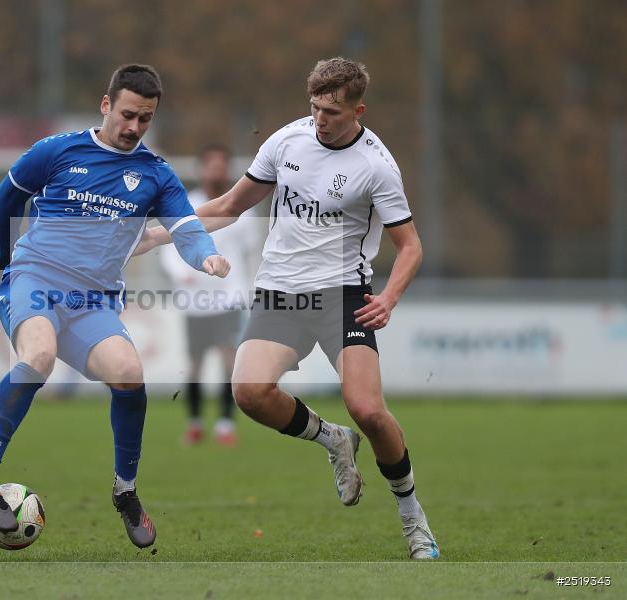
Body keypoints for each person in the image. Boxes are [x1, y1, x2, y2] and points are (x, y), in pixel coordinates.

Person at [135, 57, 439, 559]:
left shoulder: (376, 166)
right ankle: (333, 440)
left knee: (369, 410)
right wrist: (158, 236)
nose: (320, 119)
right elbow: (229, 207)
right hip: (279, 292)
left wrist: (388, 298)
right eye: (315, 107)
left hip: (343, 296)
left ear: (358, 109)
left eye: (333, 112)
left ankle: (413, 519)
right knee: (249, 392)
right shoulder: (286, 141)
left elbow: (410, 247)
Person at [0, 64, 231, 549]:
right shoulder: (58, 151)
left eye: (145, 119)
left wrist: (205, 255)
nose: (133, 127)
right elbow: (7, 196)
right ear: (106, 106)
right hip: (35, 279)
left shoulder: (155, 173)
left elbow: (186, 226)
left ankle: (125, 492)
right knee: (38, 356)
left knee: (130, 373)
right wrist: (4, 254)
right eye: (127, 114)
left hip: (92, 302)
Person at [159, 144, 260, 446]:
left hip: (229, 298)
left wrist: (250, 289)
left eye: (221, 166)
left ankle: (226, 425)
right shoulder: (187, 205)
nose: (216, 171)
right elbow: (170, 247)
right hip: (195, 299)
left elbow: (252, 253)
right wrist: (182, 274)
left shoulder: (243, 208)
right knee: (195, 364)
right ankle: (194, 423)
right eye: (211, 165)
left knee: (230, 359)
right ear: (202, 169)